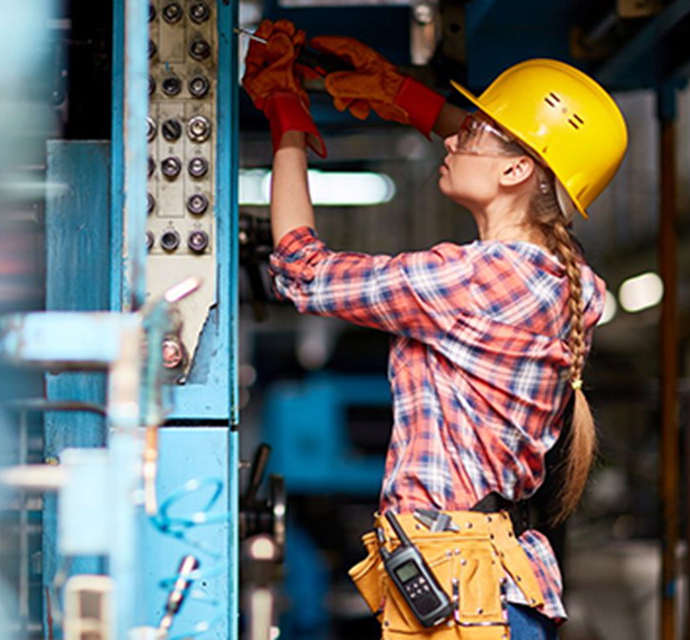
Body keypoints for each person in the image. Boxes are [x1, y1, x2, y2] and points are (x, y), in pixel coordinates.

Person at [241, 19, 628, 640]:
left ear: (516, 172)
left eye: (473, 132)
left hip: (460, 591)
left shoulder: (475, 280)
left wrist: (285, 115)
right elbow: (527, 168)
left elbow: (301, 273)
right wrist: (402, 95)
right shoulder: (562, 278)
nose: (452, 142)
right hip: (482, 583)